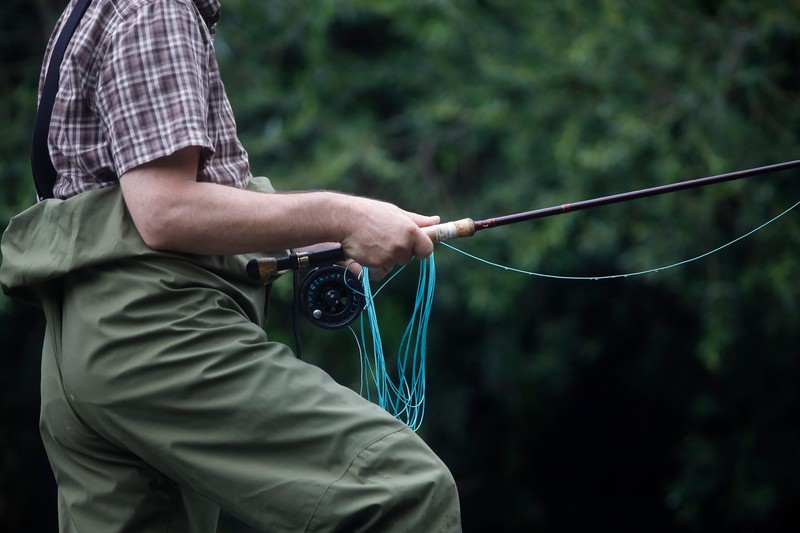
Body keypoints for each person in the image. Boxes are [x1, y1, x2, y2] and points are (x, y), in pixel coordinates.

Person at [0, 0, 461, 531]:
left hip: (85, 347)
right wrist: (343, 214)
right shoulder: (158, 8)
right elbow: (166, 211)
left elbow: (123, 206)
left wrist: (321, 237)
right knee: (404, 492)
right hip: (156, 332)